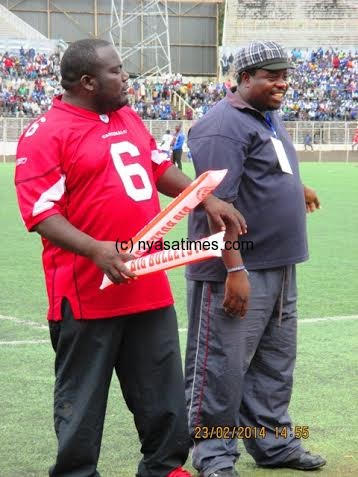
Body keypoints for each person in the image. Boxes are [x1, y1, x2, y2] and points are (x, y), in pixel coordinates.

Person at [14, 38, 246, 477]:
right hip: (86, 295)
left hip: (148, 283)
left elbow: (158, 167)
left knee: (163, 396)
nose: (126, 79)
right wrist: (98, 250)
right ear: (87, 82)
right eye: (117, 71)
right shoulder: (46, 132)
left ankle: (165, 468)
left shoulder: (125, 117)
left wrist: (203, 198)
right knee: (81, 404)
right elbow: (41, 213)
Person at [185, 40, 326, 477]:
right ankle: (213, 456)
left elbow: (262, 169)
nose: (282, 82)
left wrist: (294, 188)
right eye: (271, 75)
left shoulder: (266, 116)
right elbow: (217, 208)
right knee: (220, 369)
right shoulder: (222, 126)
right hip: (238, 270)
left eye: (285, 74)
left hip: (280, 265)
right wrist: (235, 271)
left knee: (274, 362)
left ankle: (274, 444)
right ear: (244, 79)